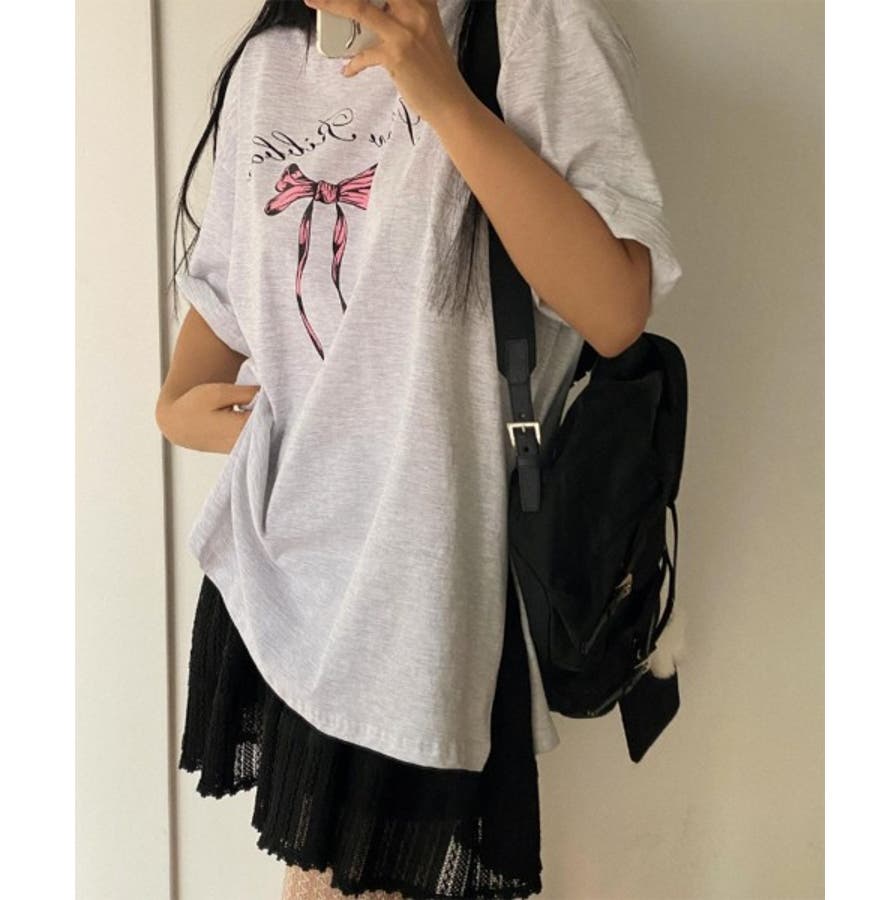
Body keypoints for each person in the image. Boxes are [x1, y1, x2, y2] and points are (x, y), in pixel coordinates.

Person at [155, 1, 683, 898]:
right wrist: (176, 408)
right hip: (283, 572)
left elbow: (614, 308)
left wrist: (442, 94)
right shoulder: (270, 62)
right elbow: (228, 291)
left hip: (424, 588)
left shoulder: (533, 26)